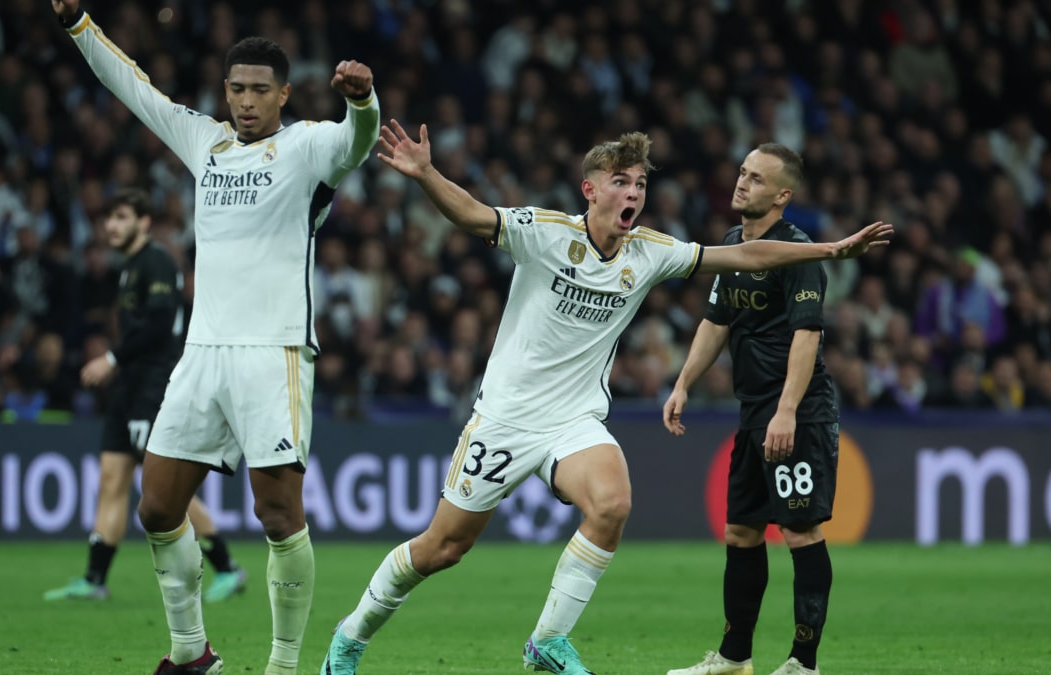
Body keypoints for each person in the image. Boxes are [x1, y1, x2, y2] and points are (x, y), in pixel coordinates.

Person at [319, 123, 891, 674]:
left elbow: (746, 256)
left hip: (575, 421)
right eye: (622, 181)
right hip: (505, 420)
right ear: (591, 189)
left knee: (613, 503)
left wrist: (831, 250)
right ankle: (351, 634)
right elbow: (473, 215)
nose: (634, 192)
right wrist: (425, 175)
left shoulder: (649, 251)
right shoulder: (544, 233)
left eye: (640, 184)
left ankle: (548, 640)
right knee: (441, 549)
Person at [51, 2, 380, 673]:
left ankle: (284, 665)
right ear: (223, 91)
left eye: (261, 89)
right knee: (156, 504)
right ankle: (190, 652)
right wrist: (80, 24)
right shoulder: (206, 142)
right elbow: (134, 88)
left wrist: (364, 103)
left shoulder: (308, 144)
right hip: (201, 354)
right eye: (237, 89)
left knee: (279, 512)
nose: (248, 101)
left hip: (275, 350)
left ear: (284, 94)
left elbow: (357, 143)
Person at [663, 143, 848, 675]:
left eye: (757, 179)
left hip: (798, 411)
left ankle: (802, 663)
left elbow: (807, 335)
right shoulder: (731, 245)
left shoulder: (799, 253)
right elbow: (715, 322)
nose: (742, 183)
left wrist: (787, 410)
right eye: (742, 173)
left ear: (783, 195)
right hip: (752, 414)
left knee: (800, 532)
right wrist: (683, 384)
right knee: (741, 533)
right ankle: (733, 657)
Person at [43, 189, 247, 605]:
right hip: (129, 386)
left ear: (144, 222)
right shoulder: (131, 266)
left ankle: (227, 566)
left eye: (121, 217)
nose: (111, 226)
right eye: (109, 218)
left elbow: (158, 324)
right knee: (112, 478)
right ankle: (94, 578)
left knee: (164, 489)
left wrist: (112, 358)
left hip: (152, 385)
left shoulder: (155, 261)